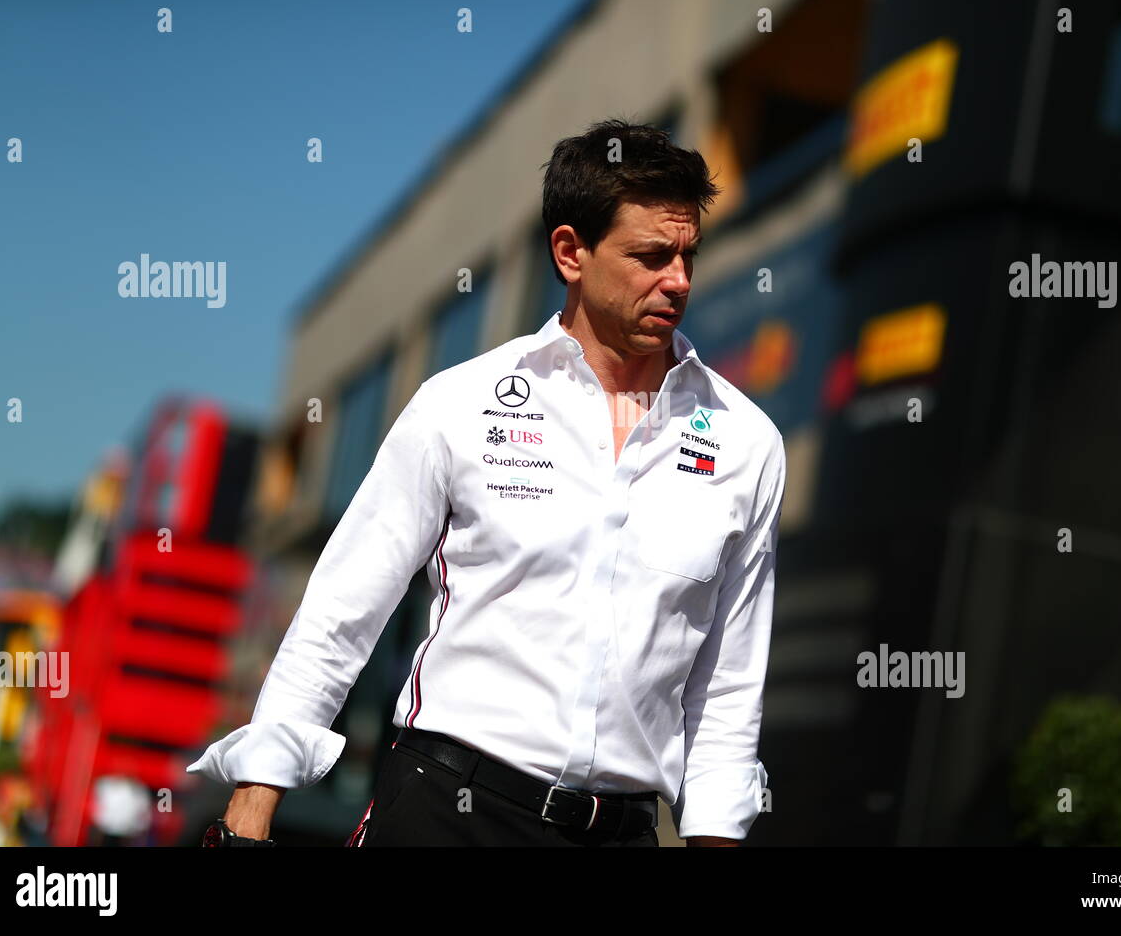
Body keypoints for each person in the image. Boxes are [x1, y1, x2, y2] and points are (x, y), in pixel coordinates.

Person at [188, 119, 786, 847]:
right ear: (571, 252)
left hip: (621, 831)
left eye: (689, 255)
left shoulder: (746, 445)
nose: (680, 282)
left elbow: (727, 689)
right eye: (651, 257)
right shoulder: (459, 404)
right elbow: (341, 613)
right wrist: (253, 809)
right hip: (445, 810)